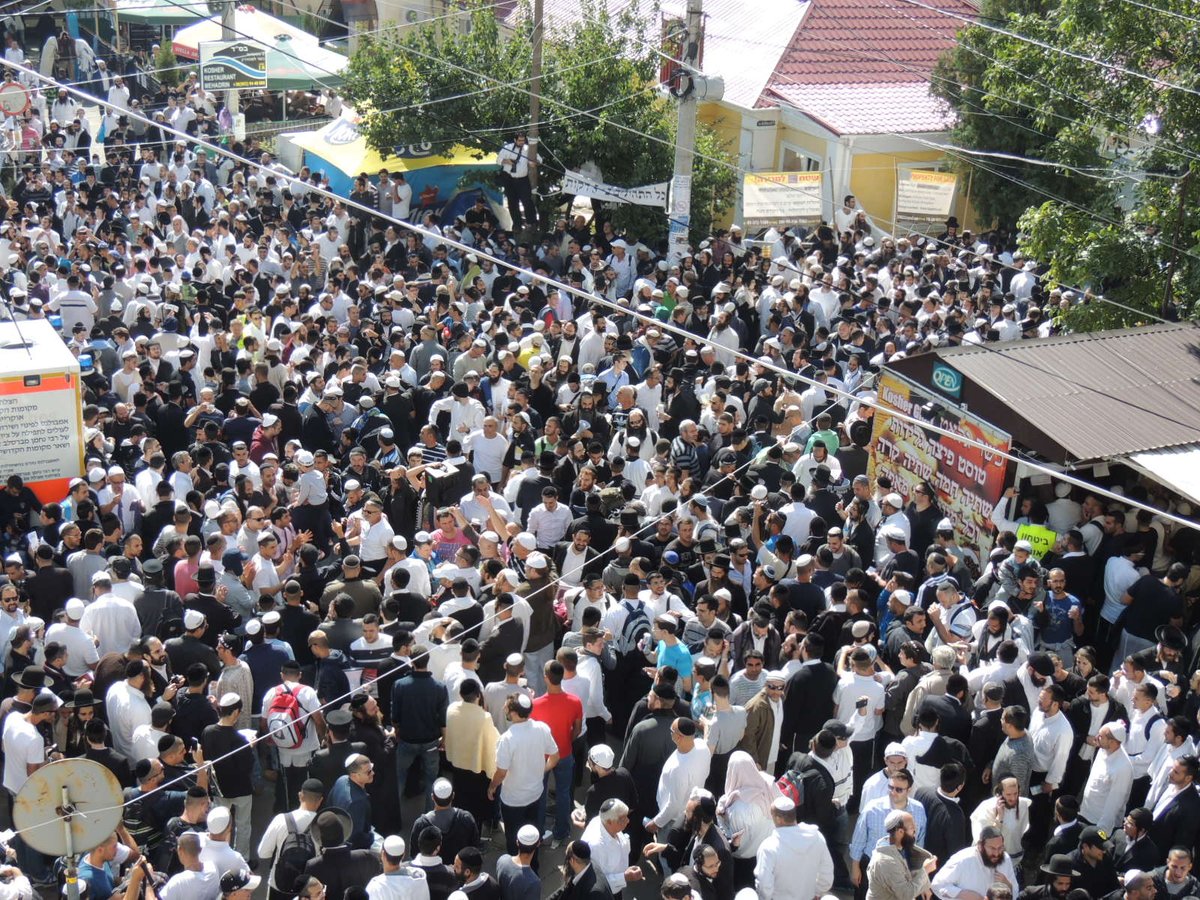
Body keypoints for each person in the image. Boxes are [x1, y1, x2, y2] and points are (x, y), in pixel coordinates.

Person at [754, 796, 834, 900]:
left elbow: (764, 884)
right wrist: (818, 892)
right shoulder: (817, 837)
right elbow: (827, 873)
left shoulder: (768, 847)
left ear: (779, 819)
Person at [930, 826, 1019, 900]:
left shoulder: (1005, 859)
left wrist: (1008, 885)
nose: (996, 853)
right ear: (980, 846)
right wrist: (962, 894)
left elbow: (1016, 893)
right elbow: (937, 885)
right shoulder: (963, 860)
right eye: (992, 848)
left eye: (1000, 848)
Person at [866, 810, 935, 900]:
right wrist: (925, 871)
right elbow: (906, 895)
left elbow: (908, 876)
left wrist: (924, 886)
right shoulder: (885, 861)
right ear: (900, 832)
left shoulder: (900, 847)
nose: (915, 830)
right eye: (912, 828)